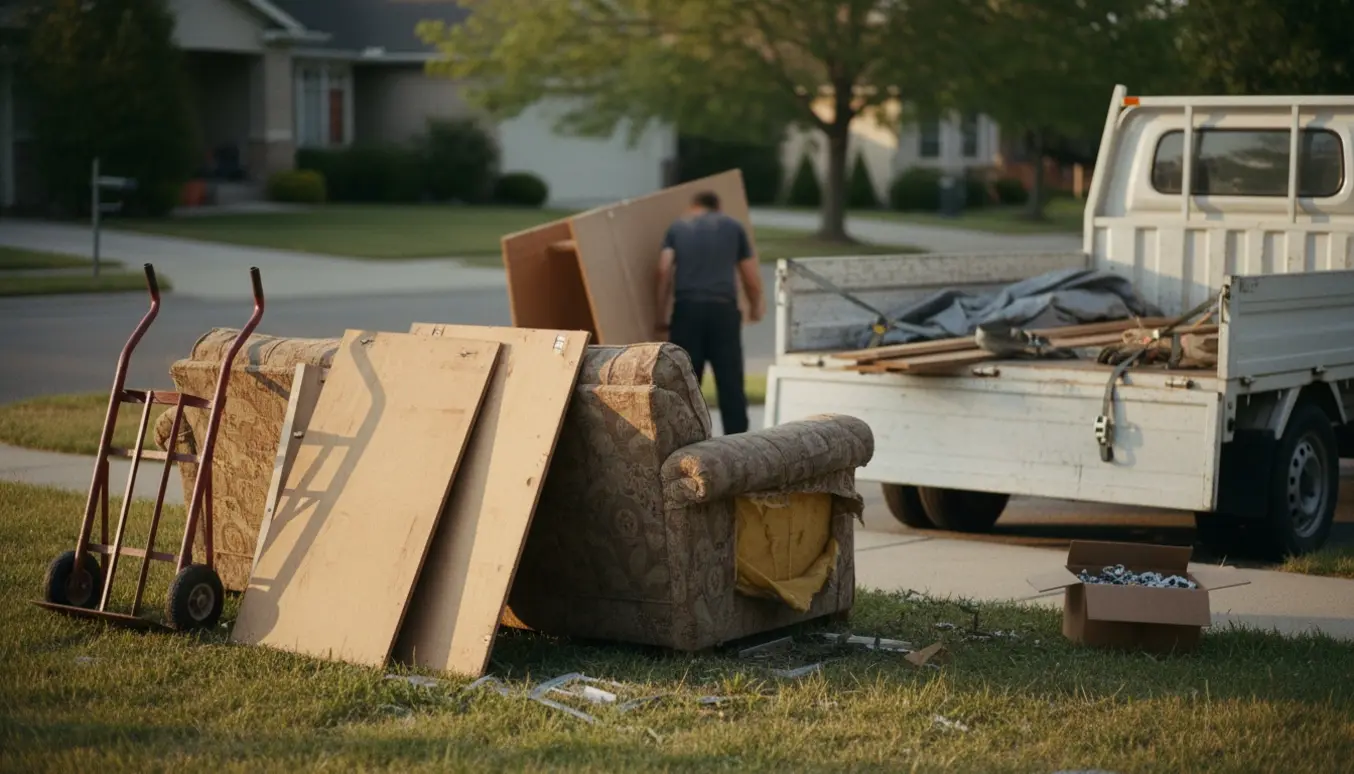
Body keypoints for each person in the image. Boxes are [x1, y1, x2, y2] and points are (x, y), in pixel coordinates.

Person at [655, 190, 764, 434]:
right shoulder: (733, 227)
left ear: (694, 206)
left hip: (687, 312)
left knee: (685, 383)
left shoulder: (677, 228)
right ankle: (739, 445)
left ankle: (684, 444)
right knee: (730, 382)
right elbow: (749, 275)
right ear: (718, 207)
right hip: (723, 312)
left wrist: (660, 315)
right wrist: (755, 306)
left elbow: (663, 270)